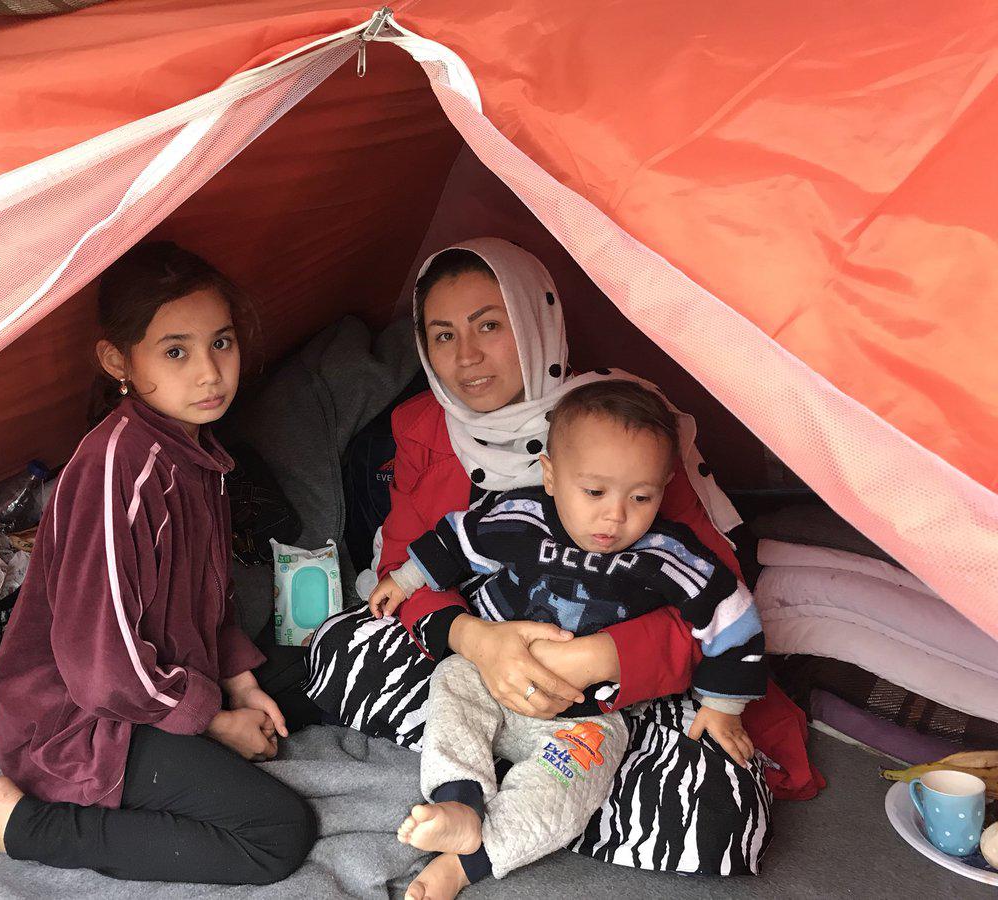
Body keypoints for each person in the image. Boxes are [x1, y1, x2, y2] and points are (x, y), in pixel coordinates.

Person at [306, 238, 797, 878]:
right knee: (342, 645)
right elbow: (410, 561)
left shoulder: (623, 429)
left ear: (536, 322)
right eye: (444, 335)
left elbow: (714, 599)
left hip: (613, 692)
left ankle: (515, 794)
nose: (466, 356)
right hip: (475, 655)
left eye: (489, 325)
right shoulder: (423, 426)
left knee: (718, 811)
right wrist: (479, 641)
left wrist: (598, 657)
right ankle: (514, 792)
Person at [0, 241, 315, 884]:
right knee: (278, 835)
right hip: (85, 722)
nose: (210, 373)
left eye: (221, 343)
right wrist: (215, 724)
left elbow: (208, 599)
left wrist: (243, 684)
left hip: (166, 682)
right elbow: (100, 668)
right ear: (118, 361)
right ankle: (19, 824)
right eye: (176, 352)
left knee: (322, 668)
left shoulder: (194, 453)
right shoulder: (118, 467)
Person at [371, 380, 766, 897]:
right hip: (489, 680)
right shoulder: (523, 517)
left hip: (587, 716)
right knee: (451, 681)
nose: (615, 516)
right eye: (595, 492)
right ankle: (459, 801)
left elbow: (732, 613)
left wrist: (723, 707)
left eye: (641, 497)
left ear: (664, 487)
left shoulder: (667, 552)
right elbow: (457, 538)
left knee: (569, 792)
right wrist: (404, 580)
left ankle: (466, 863)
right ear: (551, 475)